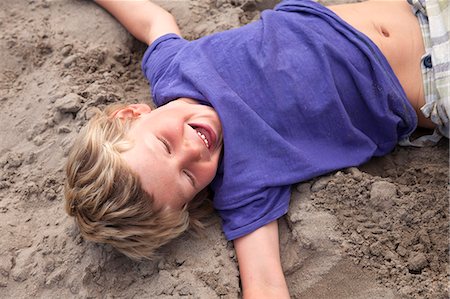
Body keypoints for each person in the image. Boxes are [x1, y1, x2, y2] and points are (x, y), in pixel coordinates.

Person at [64, 0, 449, 297]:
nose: (191, 152)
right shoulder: (243, 186)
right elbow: (264, 284)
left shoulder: (173, 67)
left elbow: (152, 20)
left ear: (132, 113)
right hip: (433, 82)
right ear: (194, 199)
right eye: (186, 177)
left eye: (164, 145)